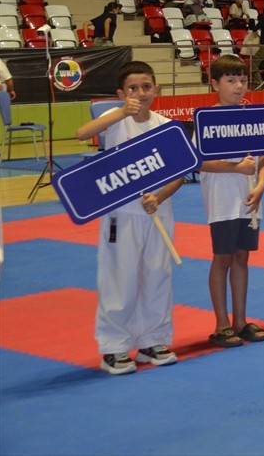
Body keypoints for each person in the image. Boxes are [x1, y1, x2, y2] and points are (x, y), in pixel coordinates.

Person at [75, 61, 185, 374]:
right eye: (133, 88)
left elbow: (179, 172)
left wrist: (160, 196)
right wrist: (121, 112)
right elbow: (82, 133)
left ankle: (152, 340)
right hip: (120, 215)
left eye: (146, 87)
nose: (140, 93)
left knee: (157, 276)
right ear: (122, 93)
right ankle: (114, 347)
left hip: (158, 213)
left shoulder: (166, 125)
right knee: (119, 277)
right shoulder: (115, 121)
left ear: (156, 89)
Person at [198, 55, 264, 348]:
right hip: (222, 200)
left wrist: (262, 184)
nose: (239, 86)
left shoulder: (253, 116)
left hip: (250, 199)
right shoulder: (207, 118)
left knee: (242, 258)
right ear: (214, 83)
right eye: (231, 81)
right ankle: (221, 324)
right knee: (223, 259)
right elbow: (199, 162)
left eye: (242, 80)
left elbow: (263, 158)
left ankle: (240, 321)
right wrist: (235, 168)